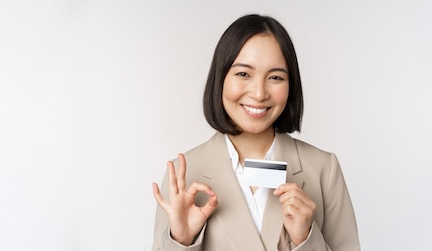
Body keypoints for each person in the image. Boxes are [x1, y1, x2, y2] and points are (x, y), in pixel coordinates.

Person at [151, 14, 360, 251]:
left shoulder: (324, 169)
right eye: (243, 74)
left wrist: (306, 240)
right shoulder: (183, 174)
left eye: (275, 77)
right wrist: (180, 241)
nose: (259, 93)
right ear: (220, 79)